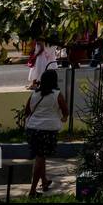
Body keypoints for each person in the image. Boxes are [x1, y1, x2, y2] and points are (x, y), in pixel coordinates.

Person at [24, 68, 68, 197]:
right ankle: (32, 191)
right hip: (48, 130)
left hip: (32, 129)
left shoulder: (34, 94)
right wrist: (63, 118)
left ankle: (44, 181)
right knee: (40, 157)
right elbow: (65, 110)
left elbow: (27, 111)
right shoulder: (57, 94)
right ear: (54, 81)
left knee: (40, 156)